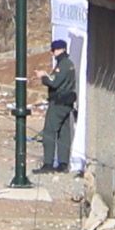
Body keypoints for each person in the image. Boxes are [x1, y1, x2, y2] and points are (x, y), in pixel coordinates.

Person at [37, 39, 78, 174]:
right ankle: (63, 163)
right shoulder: (69, 64)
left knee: (49, 131)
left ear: (59, 50)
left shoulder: (63, 65)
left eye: (54, 50)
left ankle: (48, 163)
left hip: (58, 103)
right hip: (67, 103)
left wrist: (43, 76)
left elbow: (54, 82)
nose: (53, 53)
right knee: (63, 133)